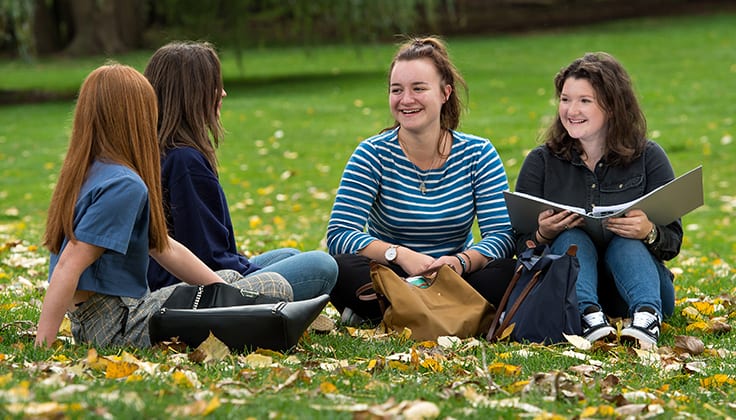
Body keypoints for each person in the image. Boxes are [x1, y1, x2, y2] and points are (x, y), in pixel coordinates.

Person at [36, 64, 292, 348]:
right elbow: (69, 265)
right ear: (135, 118)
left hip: (96, 321)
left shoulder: (90, 171)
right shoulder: (124, 186)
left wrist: (224, 293)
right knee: (275, 286)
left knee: (229, 279)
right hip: (119, 325)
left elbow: (163, 247)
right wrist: (42, 346)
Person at [326, 36, 517, 325]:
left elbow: (502, 236)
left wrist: (460, 262)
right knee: (337, 268)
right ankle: (445, 312)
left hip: (456, 277)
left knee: (506, 271)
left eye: (418, 89)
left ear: (445, 93)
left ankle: (392, 312)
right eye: (396, 90)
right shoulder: (371, 154)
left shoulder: (478, 154)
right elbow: (340, 234)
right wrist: (399, 255)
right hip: (393, 273)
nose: (406, 100)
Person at [143, 41, 337, 301]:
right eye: (214, 85)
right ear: (192, 94)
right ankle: (275, 308)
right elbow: (210, 259)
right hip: (194, 289)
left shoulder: (157, 150)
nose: (222, 93)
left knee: (289, 256)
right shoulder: (185, 161)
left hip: (185, 277)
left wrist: (256, 269)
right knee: (322, 267)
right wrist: (257, 277)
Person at [514, 52, 682, 346]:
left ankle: (646, 319)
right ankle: (588, 317)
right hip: (567, 292)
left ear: (613, 107)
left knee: (626, 241)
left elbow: (673, 242)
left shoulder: (649, 157)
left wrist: (649, 232)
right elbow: (520, 247)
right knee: (571, 239)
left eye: (584, 101)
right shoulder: (541, 162)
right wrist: (543, 234)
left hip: (641, 286)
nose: (571, 110)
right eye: (565, 99)